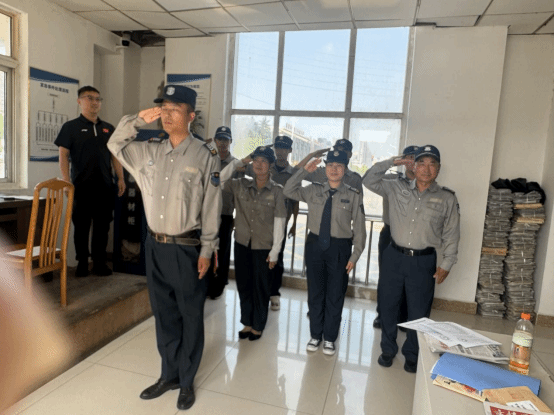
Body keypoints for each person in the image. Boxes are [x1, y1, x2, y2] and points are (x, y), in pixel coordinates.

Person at [108, 85, 222, 411]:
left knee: (190, 316)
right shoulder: (149, 149)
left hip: (187, 248)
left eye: (175, 109)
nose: (167, 114)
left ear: (191, 115)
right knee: (164, 315)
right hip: (154, 246)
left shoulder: (205, 155)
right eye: (164, 108)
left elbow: (212, 206)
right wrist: (136, 120)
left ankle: (186, 381)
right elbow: (115, 144)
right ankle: (168, 375)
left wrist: (207, 250)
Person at [363, 145, 460, 373]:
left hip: (423, 261)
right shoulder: (395, 187)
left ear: (438, 168)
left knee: (419, 312)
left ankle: (412, 354)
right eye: (421, 163)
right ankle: (388, 350)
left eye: (432, 164)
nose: (426, 169)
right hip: (394, 256)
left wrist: (447, 263)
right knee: (388, 306)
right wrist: (393, 161)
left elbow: (452, 233)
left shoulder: (446, 197)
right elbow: (368, 179)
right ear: (414, 167)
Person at [284, 150, 366, 356]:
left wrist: (355, 255)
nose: (334, 169)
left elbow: (360, 229)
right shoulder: (314, 190)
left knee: (335, 294)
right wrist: (304, 171)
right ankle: (315, 335)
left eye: (339, 166)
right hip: (315, 245)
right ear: (325, 168)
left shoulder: (353, 195)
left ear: (345, 169)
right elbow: (288, 190)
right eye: (330, 165)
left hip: (340, 247)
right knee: (315, 292)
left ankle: (329, 338)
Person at [55, 86, 126, 277]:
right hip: (80, 187)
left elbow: (115, 156)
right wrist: (66, 181)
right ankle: (82, 263)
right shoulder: (70, 127)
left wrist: (120, 177)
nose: (95, 102)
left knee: (102, 227)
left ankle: (99, 262)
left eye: (98, 99)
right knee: (81, 226)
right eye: (90, 98)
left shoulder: (108, 128)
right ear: (79, 101)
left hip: (105, 186)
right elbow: (63, 155)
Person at [220, 146, 287, 341]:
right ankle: (247, 322)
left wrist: (275, 251)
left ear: (271, 165)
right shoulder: (240, 184)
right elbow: (219, 179)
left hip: (264, 246)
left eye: (264, 161)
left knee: (261, 286)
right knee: (244, 284)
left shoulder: (277, 191)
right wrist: (240, 161)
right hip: (242, 243)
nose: (259, 164)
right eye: (256, 160)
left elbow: (280, 222)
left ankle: (258, 325)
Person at [245, 136, 299, 311]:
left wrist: (294, 223)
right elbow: (242, 165)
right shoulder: (266, 167)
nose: (280, 151)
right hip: (260, 222)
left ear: (290, 150)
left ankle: (274, 293)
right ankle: (258, 290)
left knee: (277, 258)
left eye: (284, 148)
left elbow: (295, 202)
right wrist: (257, 152)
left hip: (280, 223)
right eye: (278, 148)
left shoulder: (293, 173)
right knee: (258, 257)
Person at [373, 145, 419, 330]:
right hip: (390, 235)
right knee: (386, 277)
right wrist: (392, 162)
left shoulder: (426, 184)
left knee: (410, 279)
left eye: (415, 158)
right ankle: (382, 315)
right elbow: (370, 178)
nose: (412, 162)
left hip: (414, 237)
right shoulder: (392, 181)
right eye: (408, 158)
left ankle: (404, 317)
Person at [204, 126, 243, 300]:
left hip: (225, 214)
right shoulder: (208, 159)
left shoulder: (236, 165)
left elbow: (239, 193)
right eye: (220, 139)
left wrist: (236, 216)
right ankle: (206, 283)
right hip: (206, 213)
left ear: (230, 142)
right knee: (206, 248)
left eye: (226, 140)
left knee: (223, 250)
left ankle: (219, 284)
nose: (222, 143)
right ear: (215, 140)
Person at [296, 139, 364, 193]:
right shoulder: (321, 172)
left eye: (343, 151)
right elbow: (296, 171)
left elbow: (358, 203)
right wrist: (311, 155)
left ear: (350, 155)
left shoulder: (355, 179)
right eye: (337, 150)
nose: (339, 153)